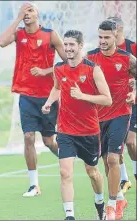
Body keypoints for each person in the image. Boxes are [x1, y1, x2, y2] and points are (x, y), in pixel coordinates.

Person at [0, 2, 67, 197]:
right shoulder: (19, 34)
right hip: (26, 95)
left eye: (30, 10)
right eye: (23, 11)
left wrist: (46, 71)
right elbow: (1, 42)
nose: (26, 14)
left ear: (38, 14)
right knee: (28, 137)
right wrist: (17, 18)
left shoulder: (50, 34)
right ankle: (34, 185)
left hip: (48, 96)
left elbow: (67, 64)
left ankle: (67, 159)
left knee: (48, 141)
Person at [42, 30, 111, 220]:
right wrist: (48, 102)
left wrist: (83, 96)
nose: (68, 48)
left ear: (81, 46)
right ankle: (70, 216)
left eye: (72, 45)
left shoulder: (93, 69)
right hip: (65, 129)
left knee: (93, 172)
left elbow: (107, 99)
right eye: (66, 44)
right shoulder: (59, 68)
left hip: (89, 131)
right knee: (65, 173)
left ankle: (99, 203)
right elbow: (57, 88)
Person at [86, 20, 136, 220]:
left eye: (107, 37)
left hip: (121, 113)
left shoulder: (127, 59)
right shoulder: (90, 58)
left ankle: (112, 205)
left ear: (116, 36)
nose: (103, 41)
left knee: (114, 158)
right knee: (106, 161)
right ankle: (121, 197)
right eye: (100, 37)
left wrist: (134, 93)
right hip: (97, 117)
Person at [107, 16, 137, 194]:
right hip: (113, 105)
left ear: (118, 28)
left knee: (131, 142)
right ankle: (124, 179)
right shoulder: (106, 51)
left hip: (133, 102)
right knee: (115, 143)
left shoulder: (132, 48)